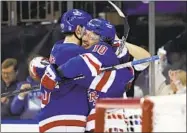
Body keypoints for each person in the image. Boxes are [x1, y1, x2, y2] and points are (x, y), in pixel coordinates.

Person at [40, 18, 136, 132]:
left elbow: (81, 63)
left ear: (102, 39)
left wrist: (58, 73)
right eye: (85, 34)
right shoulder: (97, 53)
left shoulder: (102, 50)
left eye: (90, 35)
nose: (84, 38)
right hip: (94, 119)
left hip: (109, 119)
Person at [38, 9, 92, 132]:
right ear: (78, 29)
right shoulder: (75, 52)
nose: (90, 36)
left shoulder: (58, 47)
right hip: (66, 119)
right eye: (88, 31)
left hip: (54, 116)